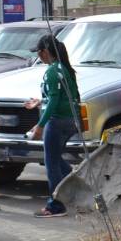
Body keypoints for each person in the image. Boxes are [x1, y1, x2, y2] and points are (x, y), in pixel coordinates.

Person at [25, 34, 80, 218]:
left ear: (45, 52)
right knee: (57, 159)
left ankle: (55, 206)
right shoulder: (64, 68)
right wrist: (41, 101)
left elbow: (56, 100)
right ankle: (77, 187)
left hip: (56, 122)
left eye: (39, 53)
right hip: (70, 121)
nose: (38, 57)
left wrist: (40, 125)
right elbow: (64, 97)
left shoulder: (51, 71)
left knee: (51, 163)